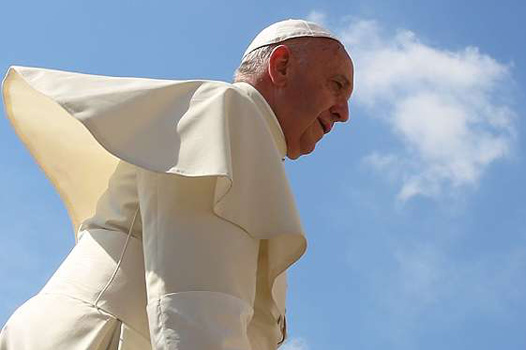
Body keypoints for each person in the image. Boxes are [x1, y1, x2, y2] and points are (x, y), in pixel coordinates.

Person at [0, 18, 353, 350]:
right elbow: (197, 297)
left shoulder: (240, 129)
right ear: (281, 66)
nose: (344, 112)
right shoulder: (231, 111)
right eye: (337, 85)